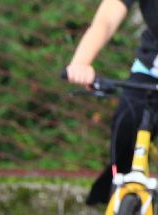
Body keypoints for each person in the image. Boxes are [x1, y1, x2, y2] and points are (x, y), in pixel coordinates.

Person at [67, 0, 158, 204]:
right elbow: (106, 19)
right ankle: (117, 207)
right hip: (151, 71)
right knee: (127, 124)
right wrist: (81, 62)